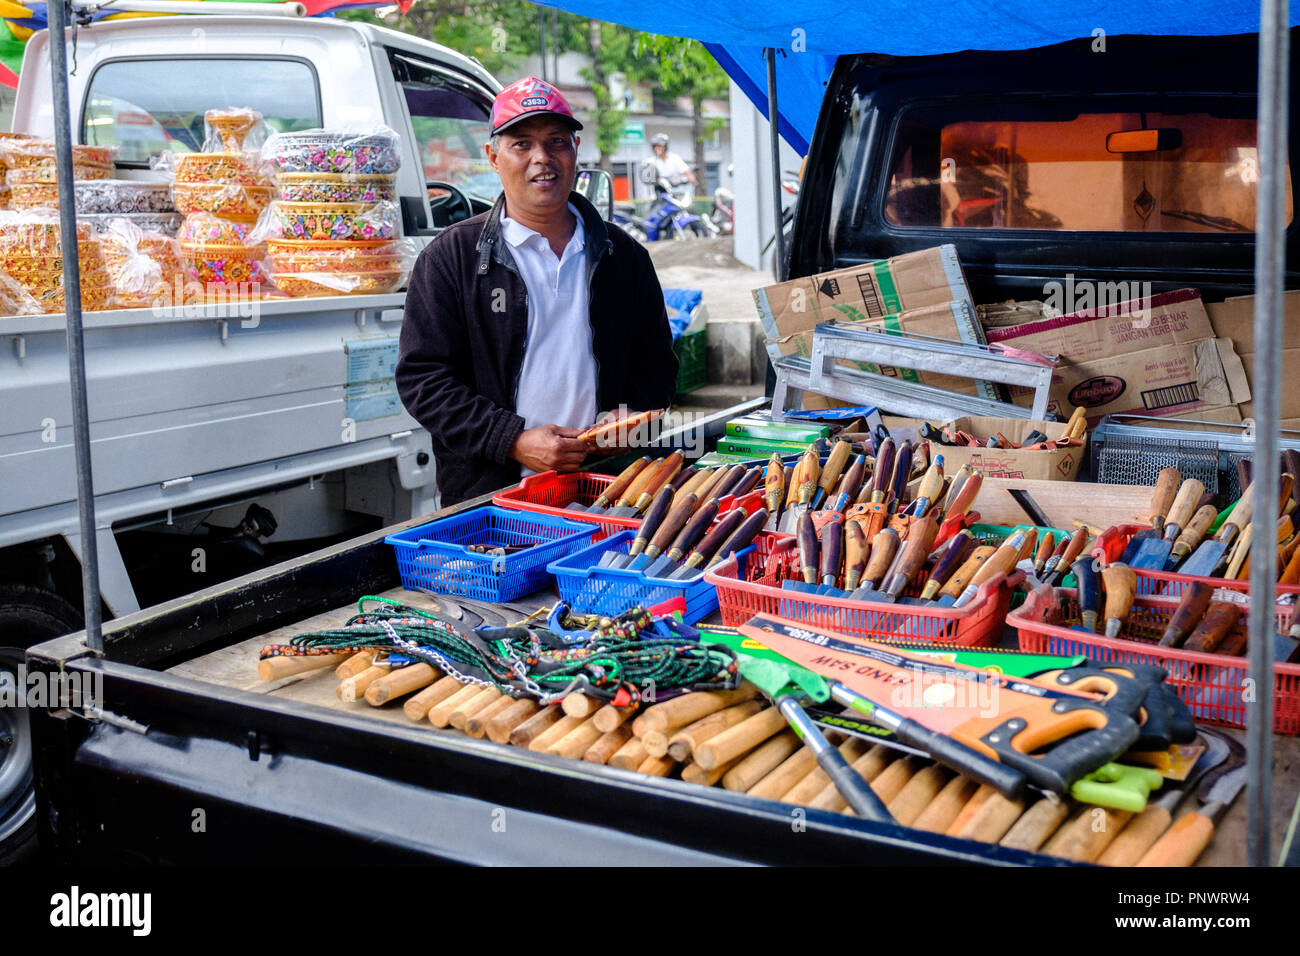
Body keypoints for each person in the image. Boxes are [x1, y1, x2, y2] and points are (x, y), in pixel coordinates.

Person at [396, 77, 679, 506]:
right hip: (492, 499)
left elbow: (657, 362)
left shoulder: (624, 256)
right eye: (522, 144)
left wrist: (633, 420)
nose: (542, 158)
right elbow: (424, 380)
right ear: (493, 157)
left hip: (608, 490)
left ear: (576, 150)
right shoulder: (451, 257)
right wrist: (512, 440)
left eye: (556, 142)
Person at [647, 133, 696, 205]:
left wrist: (688, 180)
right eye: (655, 146)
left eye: (660, 146)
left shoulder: (675, 159)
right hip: (658, 197)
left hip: (678, 195)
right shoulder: (650, 162)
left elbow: (688, 175)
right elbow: (647, 178)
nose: (657, 149)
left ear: (665, 146)